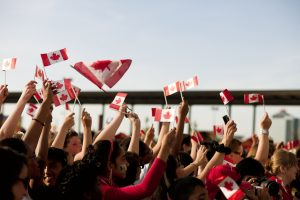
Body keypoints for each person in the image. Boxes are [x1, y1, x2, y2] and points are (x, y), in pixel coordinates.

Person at [94, 128, 176, 200]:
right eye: (123, 159)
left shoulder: (106, 183)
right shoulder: (103, 191)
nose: (128, 164)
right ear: (110, 165)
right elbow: (145, 189)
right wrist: (165, 147)